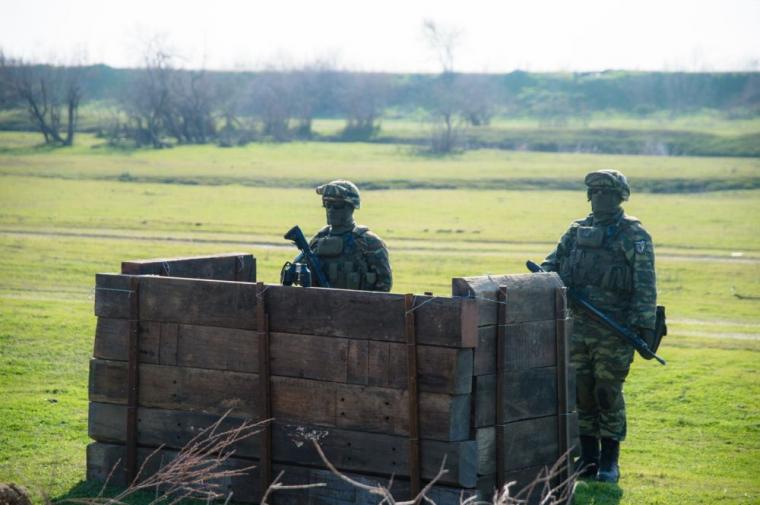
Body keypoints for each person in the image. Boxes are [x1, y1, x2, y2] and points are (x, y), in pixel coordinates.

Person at [541, 169, 657, 483]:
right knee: (581, 393)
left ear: (621, 197)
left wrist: (642, 328)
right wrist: (544, 276)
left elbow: (645, 286)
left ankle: (610, 462)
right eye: (595, 193)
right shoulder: (576, 230)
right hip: (577, 327)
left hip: (614, 330)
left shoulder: (634, 235)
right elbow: (551, 264)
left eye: (608, 193)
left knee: (607, 393)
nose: (601, 199)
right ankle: (587, 459)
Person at [305, 179, 392, 292]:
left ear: (351, 207)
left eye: (337, 206)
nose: (331, 210)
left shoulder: (369, 243)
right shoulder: (318, 240)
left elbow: (384, 286)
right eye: (327, 205)